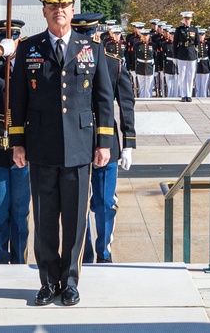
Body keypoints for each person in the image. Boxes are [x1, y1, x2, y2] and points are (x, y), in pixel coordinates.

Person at [9, 0, 113, 307]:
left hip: (80, 147)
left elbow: (103, 100)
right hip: (41, 147)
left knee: (74, 219)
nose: (59, 12)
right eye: (53, 7)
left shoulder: (90, 48)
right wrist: (18, 143)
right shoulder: (30, 48)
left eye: (65, 6)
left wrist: (104, 143)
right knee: (44, 219)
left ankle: (69, 281)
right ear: (44, 11)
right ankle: (47, 281)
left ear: (72, 10)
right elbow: (18, 100)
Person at [75, 13, 135, 265]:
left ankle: (104, 251)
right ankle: (85, 253)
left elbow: (126, 103)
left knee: (105, 202)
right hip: (76, 141)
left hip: (106, 140)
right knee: (78, 204)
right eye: (84, 36)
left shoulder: (113, 62)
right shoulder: (68, 62)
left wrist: (129, 142)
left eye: (90, 35)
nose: (88, 41)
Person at [0, 18, 29, 265]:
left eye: (14, 40)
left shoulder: (28, 65)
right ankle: (2, 260)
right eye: (2, 40)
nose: (10, 45)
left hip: (23, 149)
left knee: (20, 214)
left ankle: (20, 262)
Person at [172, 11, 198, 102]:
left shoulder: (194, 29)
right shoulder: (179, 29)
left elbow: (197, 43)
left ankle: (189, 94)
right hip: (181, 54)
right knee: (182, 75)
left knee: (190, 76)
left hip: (191, 54)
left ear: (191, 20)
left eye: (188, 19)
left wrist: (196, 55)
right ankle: (183, 95)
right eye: (185, 19)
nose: (187, 21)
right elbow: (175, 44)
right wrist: (175, 56)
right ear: (183, 20)